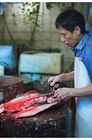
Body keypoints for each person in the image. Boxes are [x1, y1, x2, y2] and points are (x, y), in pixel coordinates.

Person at [48, 9, 92, 137]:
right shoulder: (80, 47)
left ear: (77, 30)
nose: (62, 39)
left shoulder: (89, 51)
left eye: (64, 34)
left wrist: (70, 91)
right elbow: (83, 72)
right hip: (83, 108)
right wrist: (62, 77)